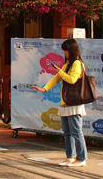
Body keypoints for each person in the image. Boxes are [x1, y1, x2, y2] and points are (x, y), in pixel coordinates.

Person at [32, 39, 88, 167]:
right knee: (67, 132)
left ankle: (81, 158)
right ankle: (70, 156)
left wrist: (60, 71)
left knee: (76, 131)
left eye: (66, 50)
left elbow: (72, 79)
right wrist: (45, 88)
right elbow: (57, 78)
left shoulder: (77, 64)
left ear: (72, 50)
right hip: (65, 102)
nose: (65, 53)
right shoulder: (67, 64)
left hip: (74, 103)